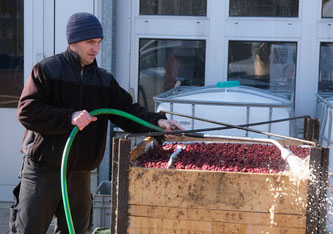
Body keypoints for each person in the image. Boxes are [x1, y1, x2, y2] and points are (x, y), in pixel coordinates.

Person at [9, 12, 183, 233]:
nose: (96, 49)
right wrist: (69, 117)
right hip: (43, 172)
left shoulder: (103, 80)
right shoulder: (47, 70)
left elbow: (127, 111)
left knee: (76, 230)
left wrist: (158, 123)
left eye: (99, 42)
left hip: (81, 175)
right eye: (90, 42)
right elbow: (27, 111)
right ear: (73, 41)